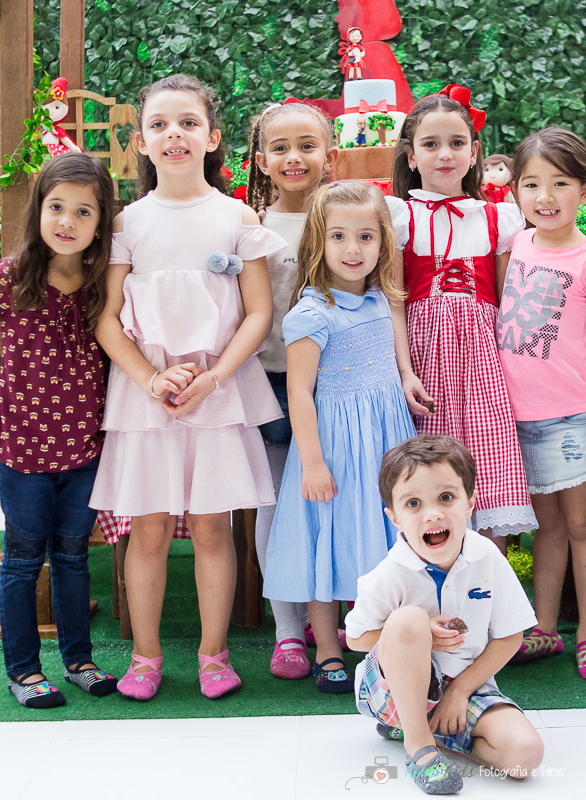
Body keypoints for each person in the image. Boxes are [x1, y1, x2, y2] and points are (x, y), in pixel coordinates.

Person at [90, 74, 288, 701]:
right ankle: (145, 655)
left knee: (211, 526)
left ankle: (213, 653)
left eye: (187, 122)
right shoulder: (127, 222)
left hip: (219, 394)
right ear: (141, 142)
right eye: (159, 124)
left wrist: (213, 377)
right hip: (144, 397)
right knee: (147, 528)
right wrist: (151, 378)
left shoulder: (237, 216)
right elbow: (106, 317)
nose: (174, 134)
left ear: (212, 136)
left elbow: (258, 312)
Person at [0, 153, 118, 708]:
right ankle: (22, 670)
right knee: (22, 561)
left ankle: (78, 660)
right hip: (23, 451)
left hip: (85, 449)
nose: (67, 221)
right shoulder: (14, 276)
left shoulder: (101, 282)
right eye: (56, 207)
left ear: (100, 222)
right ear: (39, 210)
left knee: (72, 558)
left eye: (83, 212)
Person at [263, 181, 417, 693]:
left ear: (382, 243)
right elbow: (300, 394)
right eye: (340, 238)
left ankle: (378, 643)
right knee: (325, 541)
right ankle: (327, 648)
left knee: (378, 543)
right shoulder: (311, 314)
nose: (354, 250)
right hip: (333, 450)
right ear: (317, 244)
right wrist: (311, 463)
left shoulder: (380, 300)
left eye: (367, 237)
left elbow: (395, 365)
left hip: (383, 444)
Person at [346, 435, 545, 795]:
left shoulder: (486, 556)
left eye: (446, 498)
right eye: (413, 504)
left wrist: (460, 693)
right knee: (408, 620)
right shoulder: (390, 572)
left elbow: (511, 635)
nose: (433, 513)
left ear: (470, 503)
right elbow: (356, 638)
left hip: (467, 683)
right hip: (392, 691)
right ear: (394, 516)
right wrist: (419, 632)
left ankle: (432, 732)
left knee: (525, 755)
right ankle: (419, 747)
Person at [496, 128, 586, 679]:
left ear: (585, 189)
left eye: (560, 183)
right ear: (516, 193)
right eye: (532, 184)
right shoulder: (515, 246)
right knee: (545, 528)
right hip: (515, 418)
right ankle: (544, 629)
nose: (545, 196)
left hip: (574, 417)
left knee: (582, 526)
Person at [387, 85, 536, 541]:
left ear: (474, 153)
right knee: (426, 467)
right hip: (425, 358)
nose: (444, 155)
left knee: (488, 459)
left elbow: (511, 304)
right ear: (411, 156)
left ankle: (486, 588)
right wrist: (405, 370)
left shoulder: (497, 217)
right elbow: (394, 299)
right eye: (430, 145)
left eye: (456, 144)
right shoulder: (400, 215)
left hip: (482, 361)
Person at [246, 100, 339, 681]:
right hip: (272, 379)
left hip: (341, 380)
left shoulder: (354, 213)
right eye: (279, 148)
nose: (293, 157)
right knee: (276, 503)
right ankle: (287, 628)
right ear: (260, 161)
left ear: (330, 155)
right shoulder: (251, 229)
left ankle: (336, 613)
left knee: (335, 495)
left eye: (307, 145)